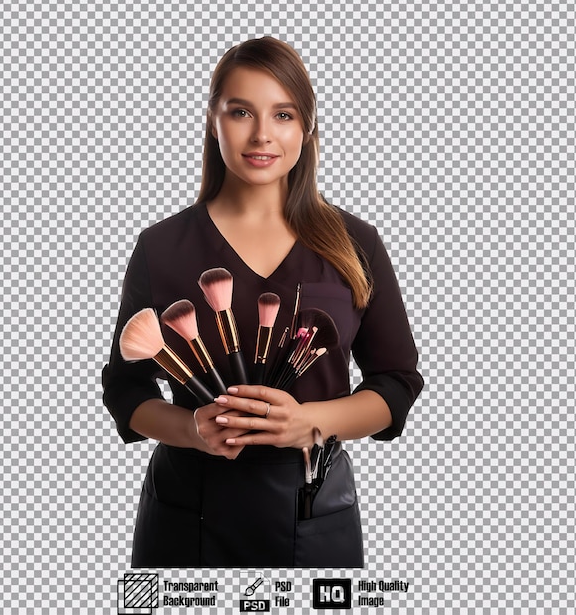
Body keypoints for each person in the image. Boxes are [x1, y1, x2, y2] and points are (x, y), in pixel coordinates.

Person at [102, 36, 423, 568]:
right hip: (185, 519)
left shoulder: (356, 242)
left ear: (307, 127)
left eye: (283, 114)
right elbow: (124, 386)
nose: (262, 135)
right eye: (240, 111)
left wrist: (311, 422)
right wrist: (189, 429)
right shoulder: (160, 247)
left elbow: (397, 382)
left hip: (313, 512)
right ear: (212, 120)